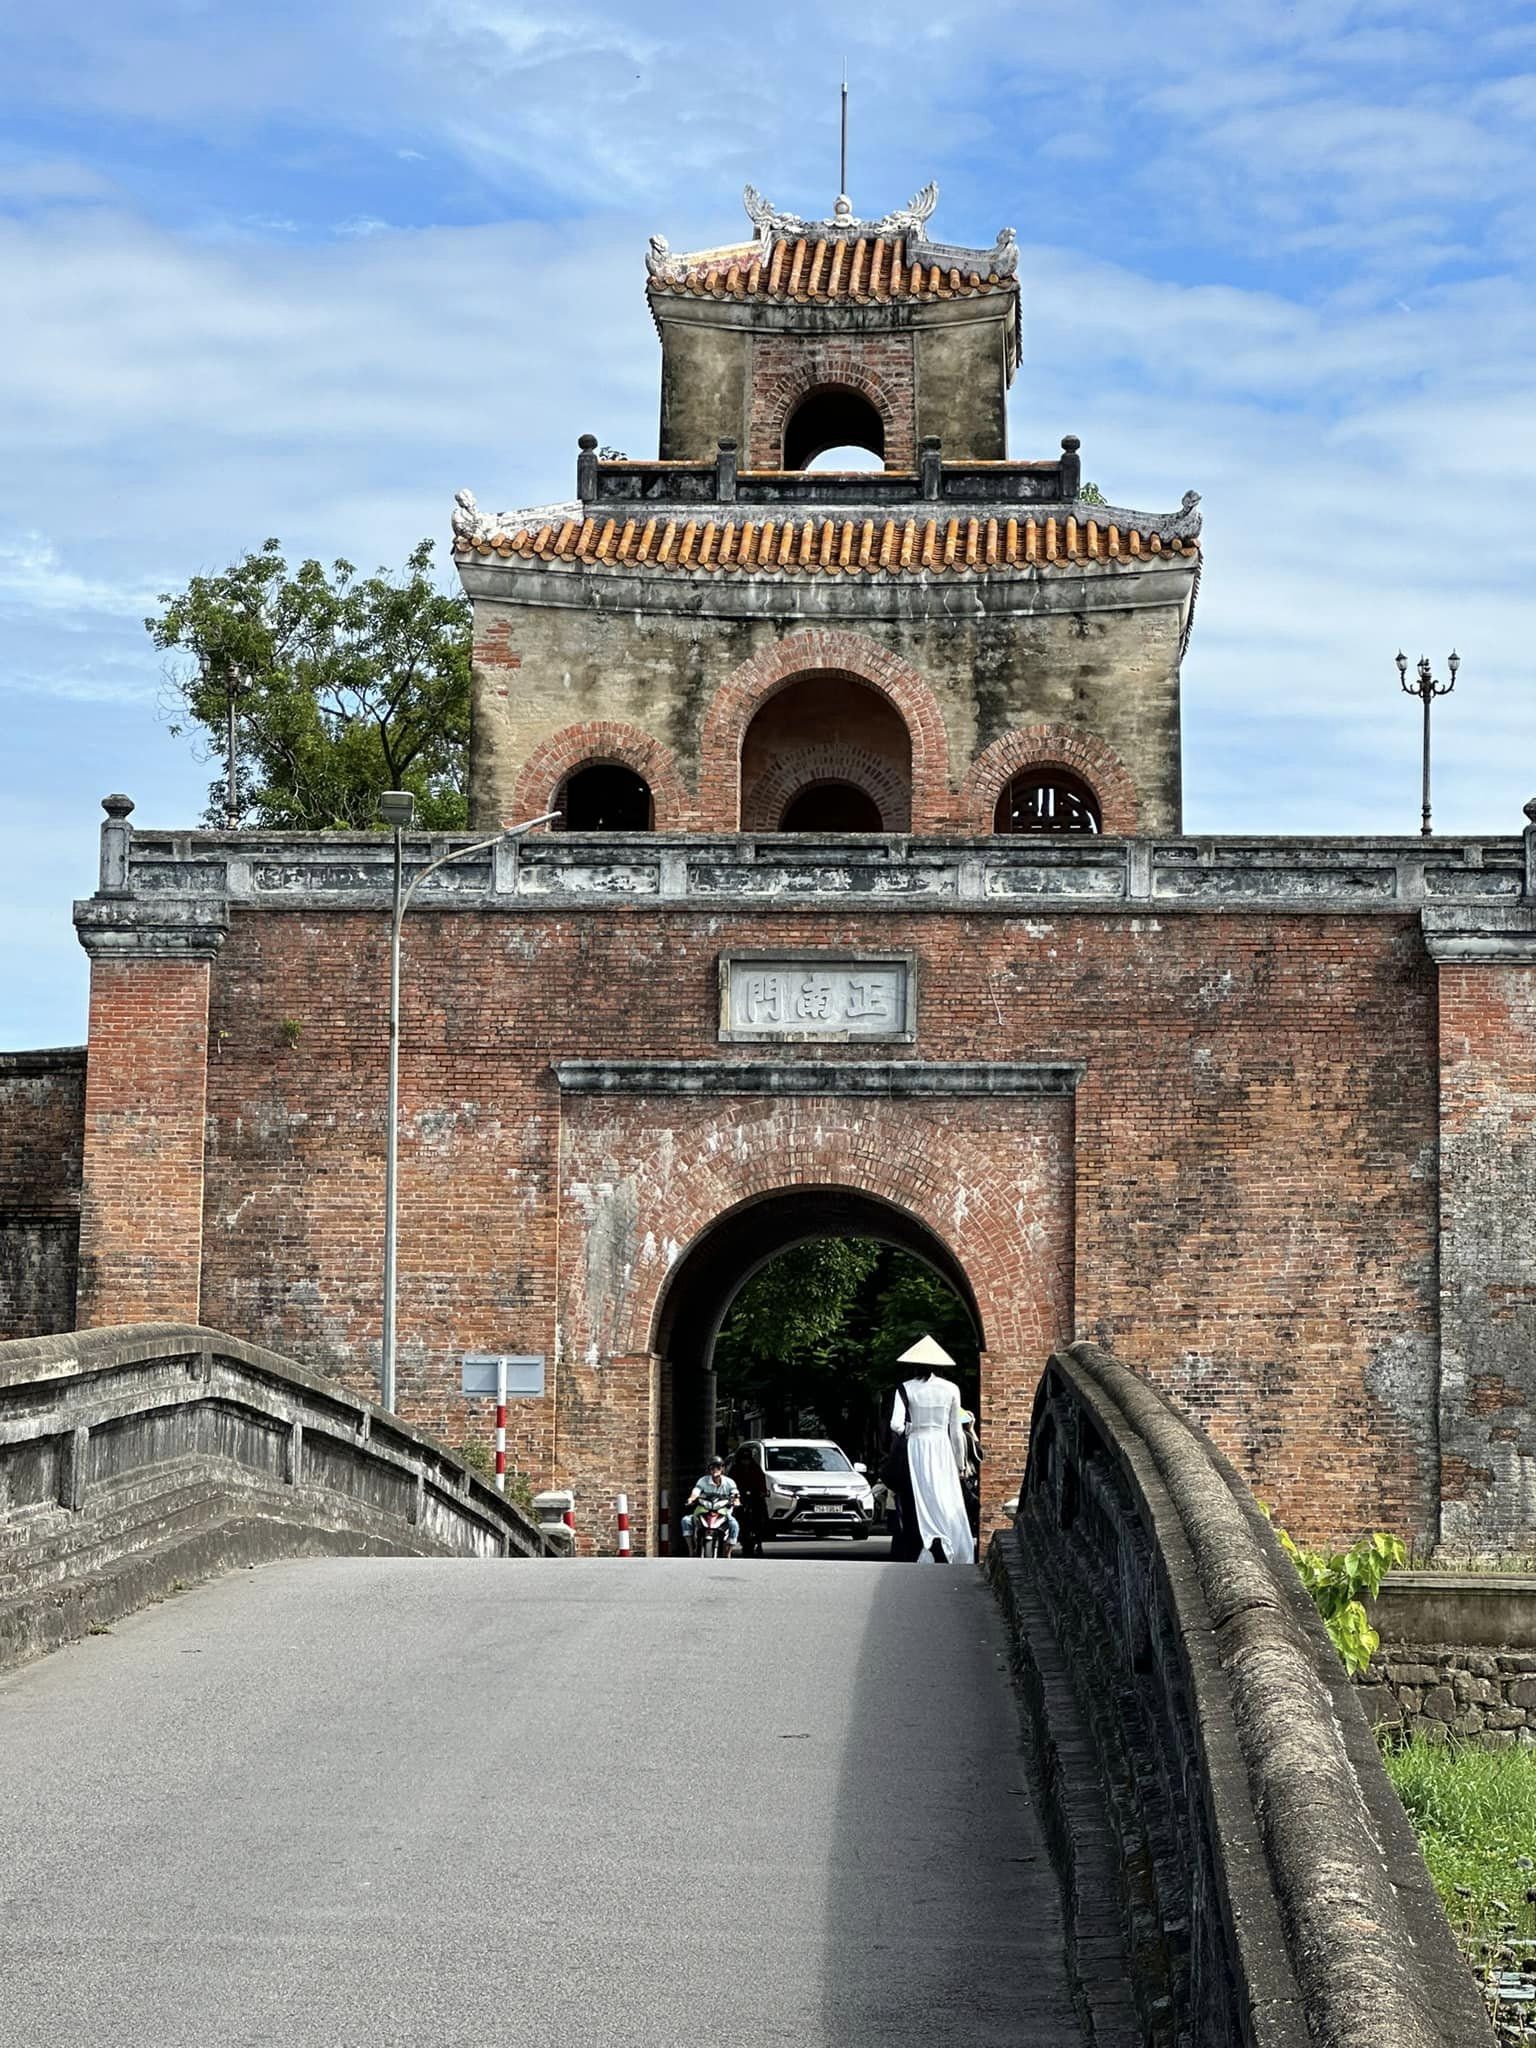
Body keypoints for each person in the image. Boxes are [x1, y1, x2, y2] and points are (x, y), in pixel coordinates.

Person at [887, 1336, 975, 1566]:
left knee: (919, 1496)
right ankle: (950, 1545)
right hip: (942, 1446)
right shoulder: (951, 1389)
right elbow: (956, 1431)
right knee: (945, 1496)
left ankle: (920, 1545)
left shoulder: (905, 1388)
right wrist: (960, 1464)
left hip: (916, 1445)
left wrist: (912, 1428)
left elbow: (895, 1425)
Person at [681, 1455, 740, 1554]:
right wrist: (691, 1499)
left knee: (734, 1525)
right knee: (686, 1521)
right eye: (712, 1467)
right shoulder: (703, 1481)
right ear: (709, 1469)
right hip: (704, 1510)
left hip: (723, 1511)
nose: (715, 1470)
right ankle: (691, 1550)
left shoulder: (729, 1482)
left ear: (722, 1468)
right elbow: (696, 1491)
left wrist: (736, 1501)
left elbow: (735, 1493)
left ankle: (728, 1552)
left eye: (718, 1467)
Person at [728, 1444, 769, 1557]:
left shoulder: (756, 1469)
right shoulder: (735, 1469)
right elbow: (730, 1482)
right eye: (743, 1459)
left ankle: (759, 1538)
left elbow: (761, 1482)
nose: (745, 1462)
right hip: (740, 1496)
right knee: (734, 1513)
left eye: (747, 1459)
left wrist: (763, 1492)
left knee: (761, 1512)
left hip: (754, 1497)